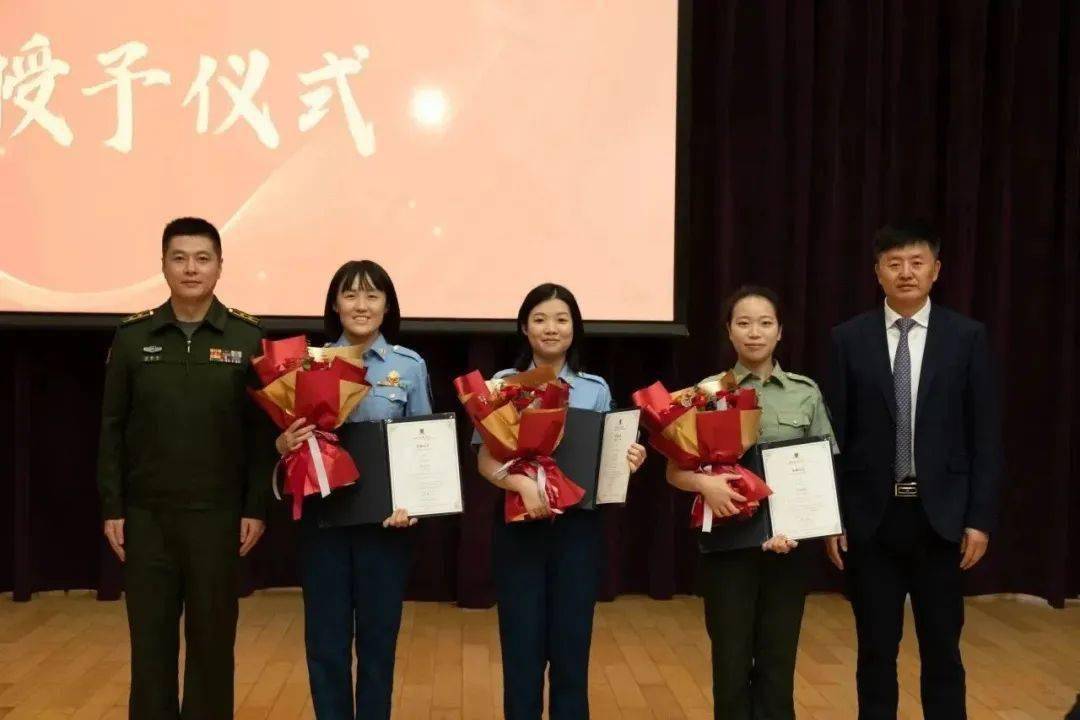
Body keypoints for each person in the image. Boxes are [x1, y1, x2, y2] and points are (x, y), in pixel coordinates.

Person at [97, 216, 273, 719]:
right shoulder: (132, 338)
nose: (191, 269)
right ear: (163, 266)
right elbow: (111, 428)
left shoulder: (247, 337)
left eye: (202, 258)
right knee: (150, 649)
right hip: (146, 518)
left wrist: (254, 506)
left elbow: (261, 435)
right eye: (179, 258)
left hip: (217, 519)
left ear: (219, 266)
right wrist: (113, 506)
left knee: (213, 647)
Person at [825, 222, 1003, 719]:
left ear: (936, 270)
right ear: (877, 272)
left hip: (942, 520)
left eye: (917, 262)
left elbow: (984, 435)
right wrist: (833, 516)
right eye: (894, 263)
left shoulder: (967, 337)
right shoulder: (848, 339)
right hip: (872, 519)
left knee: (943, 652)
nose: (906, 273)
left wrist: (979, 518)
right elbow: (834, 436)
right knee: (875, 652)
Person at [474, 283, 647, 719]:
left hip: (578, 532)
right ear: (524, 328)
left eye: (561, 319)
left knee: (572, 652)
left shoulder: (595, 388)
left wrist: (631, 456)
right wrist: (519, 486)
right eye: (540, 319)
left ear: (575, 328)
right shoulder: (500, 387)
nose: (551, 328)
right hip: (519, 528)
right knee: (521, 653)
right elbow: (483, 458)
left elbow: (609, 457)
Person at [666, 285, 834, 720]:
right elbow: (674, 472)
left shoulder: (805, 392)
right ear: (729, 331)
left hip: (789, 548)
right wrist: (707, 487)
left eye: (764, 323)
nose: (754, 333)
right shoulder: (703, 395)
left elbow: (820, 469)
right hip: (728, 546)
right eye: (743, 323)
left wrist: (803, 526)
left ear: (780, 332)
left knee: (779, 664)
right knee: (731, 663)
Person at [274, 259, 432, 720]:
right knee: (326, 643)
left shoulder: (409, 366)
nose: (361, 305)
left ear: (387, 306)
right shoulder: (307, 364)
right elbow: (291, 445)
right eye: (350, 294)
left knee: (379, 645)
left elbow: (423, 442)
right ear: (335, 304)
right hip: (325, 523)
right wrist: (284, 444)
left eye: (371, 295)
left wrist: (413, 502)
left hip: (385, 527)